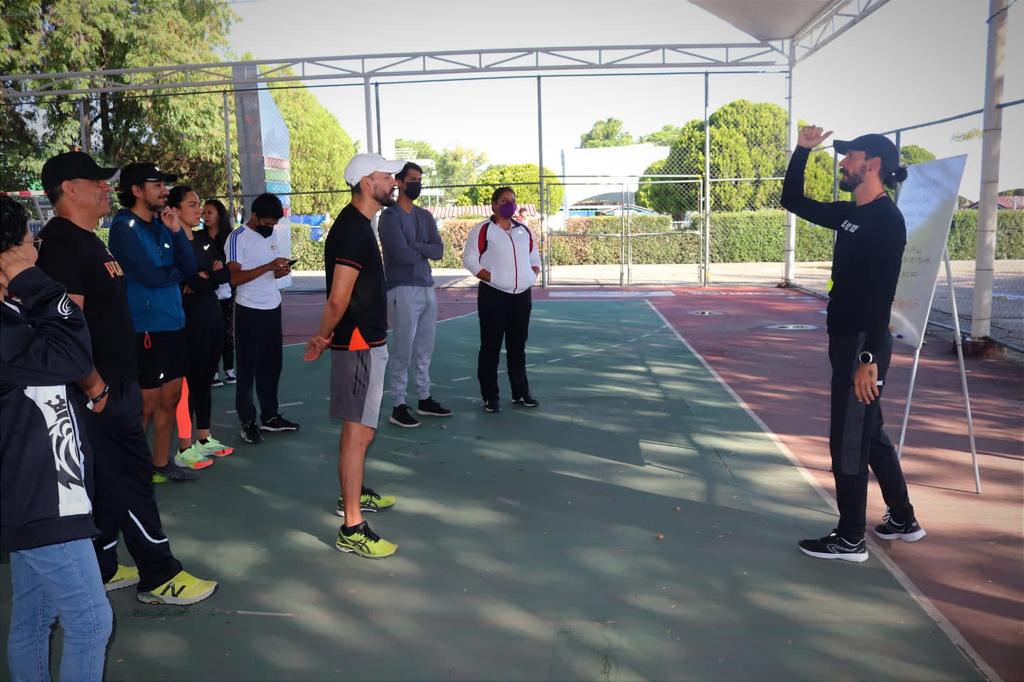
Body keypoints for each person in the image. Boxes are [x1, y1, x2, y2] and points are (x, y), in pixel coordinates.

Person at [37, 151, 217, 604]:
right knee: (132, 478)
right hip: (100, 389)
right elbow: (65, 326)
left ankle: (102, 565)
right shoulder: (64, 243)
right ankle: (159, 574)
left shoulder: (87, 240)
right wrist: (93, 386)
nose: (105, 188)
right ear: (69, 190)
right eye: (95, 181)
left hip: (113, 381)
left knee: (108, 481)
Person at [782, 126, 924, 563]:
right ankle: (903, 518)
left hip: (863, 343)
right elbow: (793, 200)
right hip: (847, 337)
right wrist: (802, 151)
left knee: (848, 438)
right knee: (870, 432)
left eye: (851, 157)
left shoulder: (886, 221)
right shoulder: (850, 214)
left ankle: (849, 539)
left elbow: (882, 294)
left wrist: (867, 358)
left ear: (873, 164)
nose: (843, 164)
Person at [1, 196, 113, 682]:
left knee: (34, 618)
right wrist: (34, 282)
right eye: (31, 243)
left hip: (41, 494)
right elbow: (72, 352)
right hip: (41, 499)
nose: (36, 251)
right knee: (91, 620)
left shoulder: (10, 314)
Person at [304, 152, 405, 559]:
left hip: (368, 342)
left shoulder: (361, 225)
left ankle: (354, 493)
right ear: (366, 182)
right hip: (359, 344)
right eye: (387, 175)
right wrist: (321, 337)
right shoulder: (351, 230)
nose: (394, 181)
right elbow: (338, 297)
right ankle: (351, 527)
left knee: (363, 430)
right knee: (358, 431)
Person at [108, 162, 199, 481]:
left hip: (173, 323)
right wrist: (176, 274)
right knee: (146, 402)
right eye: (157, 185)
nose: (165, 191)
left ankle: (160, 463)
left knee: (171, 397)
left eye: (164, 184)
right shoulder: (123, 228)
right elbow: (149, 275)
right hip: (145, 327)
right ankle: (130, 470)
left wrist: (176, 233)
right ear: (136, 190)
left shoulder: (164, 224)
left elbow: (190, 268)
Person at [377, 161, 452, 428]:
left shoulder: (425, 216)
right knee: (403, 349)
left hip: (426, 287)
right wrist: (423, 248)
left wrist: (416, 245)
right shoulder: (390, 217)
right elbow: (401, 255)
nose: (417, 184)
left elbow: (438, 251)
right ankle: (398, 404)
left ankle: (424, 397)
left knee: (424, 348)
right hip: (402, 289)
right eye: (412, 179)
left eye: (419, 179)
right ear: (398, 182)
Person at [168, 186, 234, 464]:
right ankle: (184, 447)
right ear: (175, 210)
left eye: (199, 205)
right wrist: (202, 277)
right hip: (188, 320)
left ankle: (204, 438)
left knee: (205, 380)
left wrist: (205, 277)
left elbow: (223, 274)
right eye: (192, 205)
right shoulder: (171, 242)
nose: (199, 211)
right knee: (188, 383)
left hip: (211, 315)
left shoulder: (205, 239)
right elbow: (189, 279)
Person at [226, 192, 298, 444]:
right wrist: (268, 267)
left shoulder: (272, 234)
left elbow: (269, 273)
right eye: (267, 223)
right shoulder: (237, 237)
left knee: (272, 365)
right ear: (254, 216)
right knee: (247, 369)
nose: (271, 228)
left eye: (274, 224)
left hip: (272, 306)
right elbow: (233, 278)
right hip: (249, 310)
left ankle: (270, 416)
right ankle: (247, 422)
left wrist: (279, 271)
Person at [462, 187, 542, 413]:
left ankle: (520, 392)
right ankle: (490, 397)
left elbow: (534, 257)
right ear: (494, 205)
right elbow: (470, 260)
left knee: (518, 346)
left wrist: (530, 276)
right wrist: (493, 278)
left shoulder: (523, 230)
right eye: (505, 200)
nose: (510, 204)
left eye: (513, 200)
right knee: (491, 347)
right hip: (493, 296)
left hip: (521, 297)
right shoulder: (483, 230)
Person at [202, 199, 236, 388]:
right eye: (204, 212)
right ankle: (212, 370)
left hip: (226, 291)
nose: (205, 216)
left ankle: (229, 368)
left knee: (227, 330)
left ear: (219, 215)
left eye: (210, 212)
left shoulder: (229, 238)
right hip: (207, 291)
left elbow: (232, 265)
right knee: (209, 332)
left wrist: (222, 272)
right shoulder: (199, 237)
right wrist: (208, 272)